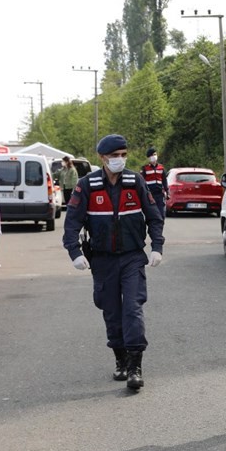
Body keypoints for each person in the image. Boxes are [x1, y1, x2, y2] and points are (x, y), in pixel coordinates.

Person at [63, 134, 165, 391]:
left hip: (132, 256)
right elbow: (72, 222)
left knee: (132, 308)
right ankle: (120, 358)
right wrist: (75, 252)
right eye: (114, 156)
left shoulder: (135, 181)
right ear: (103, 158)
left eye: (123, 155)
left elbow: (154, 216)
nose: (120, 160)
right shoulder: (87, 185)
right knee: (111, 311)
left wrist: (157, 246)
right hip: (103, 259)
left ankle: (135, 366)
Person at [141, 147, 168, 216]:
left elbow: (164, 180)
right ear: (149, 157)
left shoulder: (161, 167)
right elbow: (142, 182)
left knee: (161, 213)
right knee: (152, 213)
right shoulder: (145, 168)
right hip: (150, 194)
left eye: (155, 154)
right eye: (152, 155)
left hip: (159, 193)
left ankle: (160, 225)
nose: (154, 156)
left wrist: (167, 191)